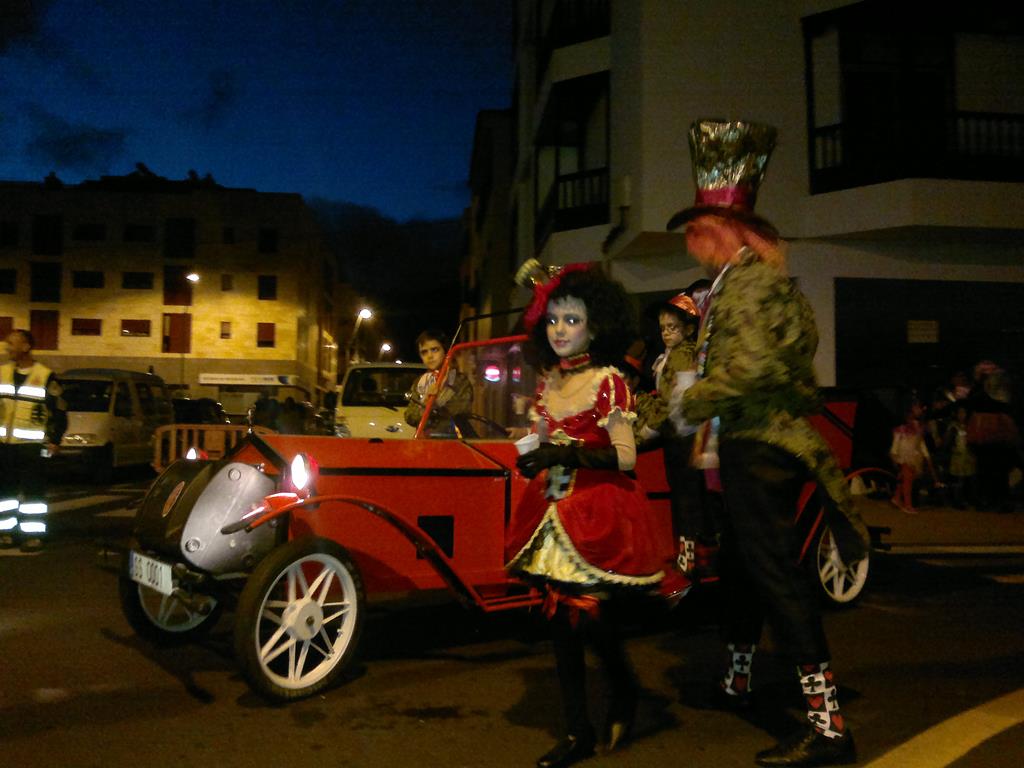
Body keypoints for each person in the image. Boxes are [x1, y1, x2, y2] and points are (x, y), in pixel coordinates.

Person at [671, 119, 869, 767]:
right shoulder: (741, 280)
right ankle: (737, 680)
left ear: (728, 230)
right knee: (745, 573)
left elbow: (748, 369)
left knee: (777, 579)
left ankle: (828, 724)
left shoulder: (750, 282)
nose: (690, 236)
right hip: (742, 447)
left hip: (755, 448)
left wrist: (686, 402)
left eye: (699, 224)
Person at [505, 259, 677, 768]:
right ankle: (578, 729)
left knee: (590, 620)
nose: (560, 330)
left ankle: (622, 690)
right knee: (562, 625)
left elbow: (625, 456)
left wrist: (566, 454)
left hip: (596, 513)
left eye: (572, 320)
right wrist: (529, 455)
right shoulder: (547, 385)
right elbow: (537, 440)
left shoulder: (609, 383)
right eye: (553, 320)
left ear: (595, 326)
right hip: (553, 511)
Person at [634, 291, 716, 575]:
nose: (667, 334)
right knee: (686, 496)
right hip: (679, 433)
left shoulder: (683, 357)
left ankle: (689, 556)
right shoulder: (670, 356)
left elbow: (672, 402)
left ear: (688, 329)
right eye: (664, 328)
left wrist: (647, 423)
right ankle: (692, 553)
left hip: (683, 434)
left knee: (686, 498)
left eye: (673, 328)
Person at [0, 329, 68, 552]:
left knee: (33, 492)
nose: (7, 347)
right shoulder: (2, 372)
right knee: (4, 492)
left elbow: (59, 411)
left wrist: (55, 440)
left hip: (32, 446)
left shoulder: (46, 376)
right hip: (4, 445)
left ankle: (33, 536)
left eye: (12, 343)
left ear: (26, 346)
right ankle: (6, 533)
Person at [404, 329, 473, 432]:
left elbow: (462, 411)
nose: (430, 356)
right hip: (426, 441)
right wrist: (425, 404)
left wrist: (434, 403)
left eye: (434, 350)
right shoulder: (420, 382)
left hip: (452, 441)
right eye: (424, 352)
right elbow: (409, 416)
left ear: (445, 351)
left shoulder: (459, 380)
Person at [889, 399, 935, 514]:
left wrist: (925, 455)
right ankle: (907, 505)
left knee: (906, 479)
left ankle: (897, 497)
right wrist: (894, 454)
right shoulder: (903, 428)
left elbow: (920, 442)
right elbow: (898, 442)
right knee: (907, 480)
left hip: (913, 456)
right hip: (906, 456)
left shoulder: (918, 426)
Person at [944, 404, 977, 509]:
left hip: (968, 456)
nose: (962, 415)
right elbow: (947, 441)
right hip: (958, 456)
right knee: (958, 480)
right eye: (960, 413)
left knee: (969, 478)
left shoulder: (970, 426)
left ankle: (968, 499)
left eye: (964, 412)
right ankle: (957, 501)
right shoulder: (953, 426)